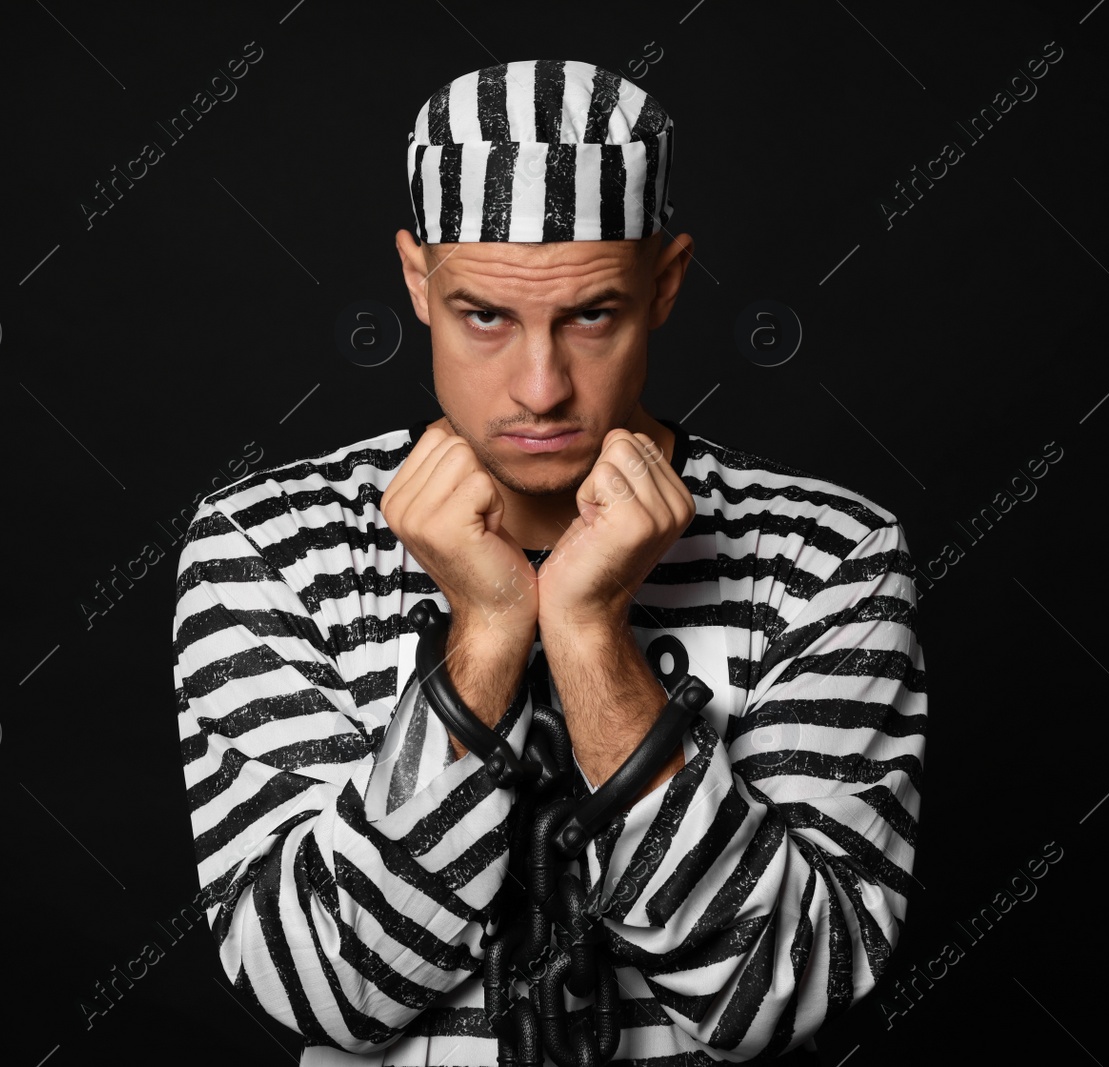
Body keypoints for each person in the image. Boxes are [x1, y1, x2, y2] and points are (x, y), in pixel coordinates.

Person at [172, 58, 928, 1066]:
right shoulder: (263, 544)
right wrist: (485, 636)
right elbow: (327, 991)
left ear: (664, 286)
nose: (539, 387)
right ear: (416, 283)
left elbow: (777, 991)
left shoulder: (829, 555)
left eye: (589, 316)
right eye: (486, 315)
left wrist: (587, 635)